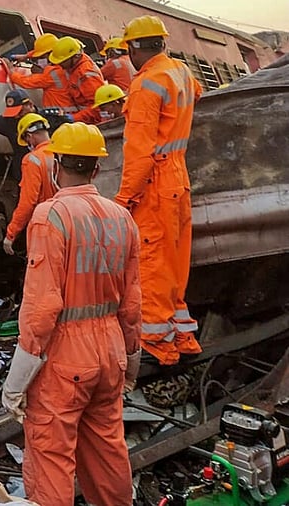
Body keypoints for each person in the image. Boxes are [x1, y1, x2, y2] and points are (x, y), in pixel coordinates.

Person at [1, 122, 142, 505]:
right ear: (97, 169)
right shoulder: (122, 218)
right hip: (110, 351)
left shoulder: (51, 216)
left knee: (50, 458)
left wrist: (17, 379)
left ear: (56, 163)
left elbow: (42, 307)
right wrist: (131, 360)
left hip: (65, 358)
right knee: (108, 451)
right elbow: (131, 303)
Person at [117, 15, 203, 365]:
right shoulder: (180, 72)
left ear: (136, 48)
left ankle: (157, 346)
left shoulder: (146, 85)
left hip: (156, 181)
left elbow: (139, 153)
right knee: (175, 263)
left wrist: (124, 199)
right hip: (179, 178)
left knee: (152, 265)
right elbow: (197, 93)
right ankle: (183, 336)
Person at [0, 88, 71, 181]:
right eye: (14, 113)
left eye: (20, 112)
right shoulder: (10, 122)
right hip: (26, 176)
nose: (17, 116)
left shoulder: (53, 118)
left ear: (30, 105)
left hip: (53, 174)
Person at [3, 113, 57, 256]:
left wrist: (11, 234)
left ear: (30, 136)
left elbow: (28, 202)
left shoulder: (32, 159)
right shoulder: (63, 152)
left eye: (26, 139)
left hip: (47, 227)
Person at [6, 33, 78, 112]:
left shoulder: (53, 73)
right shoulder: (64, 65)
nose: (40, 60)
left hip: (61, 117)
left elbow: (26, 82)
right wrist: (27, 56)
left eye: (42, 57)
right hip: (67, 113)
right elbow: (44, 51)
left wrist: (12, 71)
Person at [48, 36, 105, 112]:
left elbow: (98, 108)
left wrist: (74, 118)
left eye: (63, 61)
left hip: (93, 120)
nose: (60, 64)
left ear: (75, 57)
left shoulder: (85, 74)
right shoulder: (73, 68)